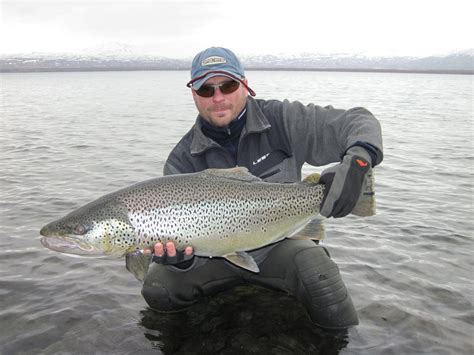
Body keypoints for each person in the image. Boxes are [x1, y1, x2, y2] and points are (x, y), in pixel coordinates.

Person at [139, 47, 383, 329]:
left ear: (244, 84)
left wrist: (360, 161)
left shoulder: (282, 119)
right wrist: (180, 262)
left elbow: (359, 121)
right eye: (206, 90)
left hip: (281, 245)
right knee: (159, 286)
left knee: (319, 274)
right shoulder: (181, 160)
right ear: (194, 94)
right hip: (213, 260)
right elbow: (185, 259)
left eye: (227, 85)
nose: (218, 97)